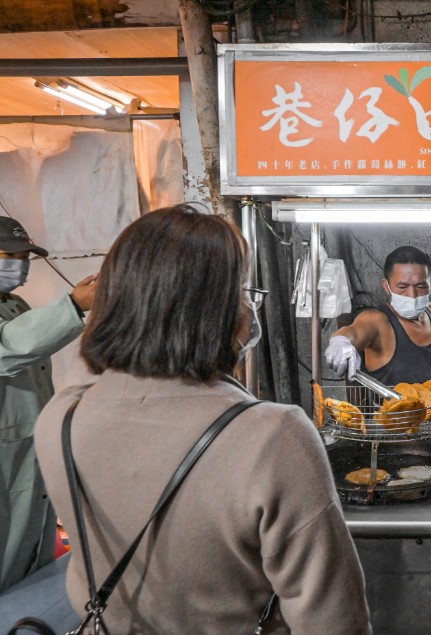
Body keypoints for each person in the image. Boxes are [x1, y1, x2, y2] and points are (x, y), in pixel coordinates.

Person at [33, 205, 371, 633]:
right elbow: (333, 621)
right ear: (216, 309)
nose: (251, 307)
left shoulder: (61, 417)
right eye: (244, 291)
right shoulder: (273, 435)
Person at [0, 216, 97, 593]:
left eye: (25, 256)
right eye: (10, 254)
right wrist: (73, 305)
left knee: (29, 551)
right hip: (7, 453)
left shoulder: (16, 305)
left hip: (26, 448)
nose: (20, 264)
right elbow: (11, 349)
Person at [325, 245, 431, 386]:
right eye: (402, 287)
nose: (412, 295)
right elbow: (353, 332)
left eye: (421, 286)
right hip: (392, 408)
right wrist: (340, 342)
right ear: (386, 286)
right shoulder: (376, 321)